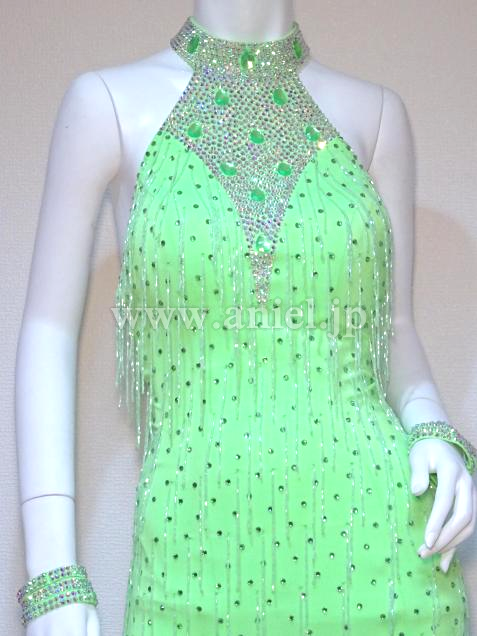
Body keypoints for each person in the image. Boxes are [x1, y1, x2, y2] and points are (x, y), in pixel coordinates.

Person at [15, 1, 477, 633]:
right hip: (190, 564)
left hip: (388, 562)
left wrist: (434, 430)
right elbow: (48, 333)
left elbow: (393, 329)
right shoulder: (107, 105)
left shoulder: (375, 114)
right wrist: (53, 577)